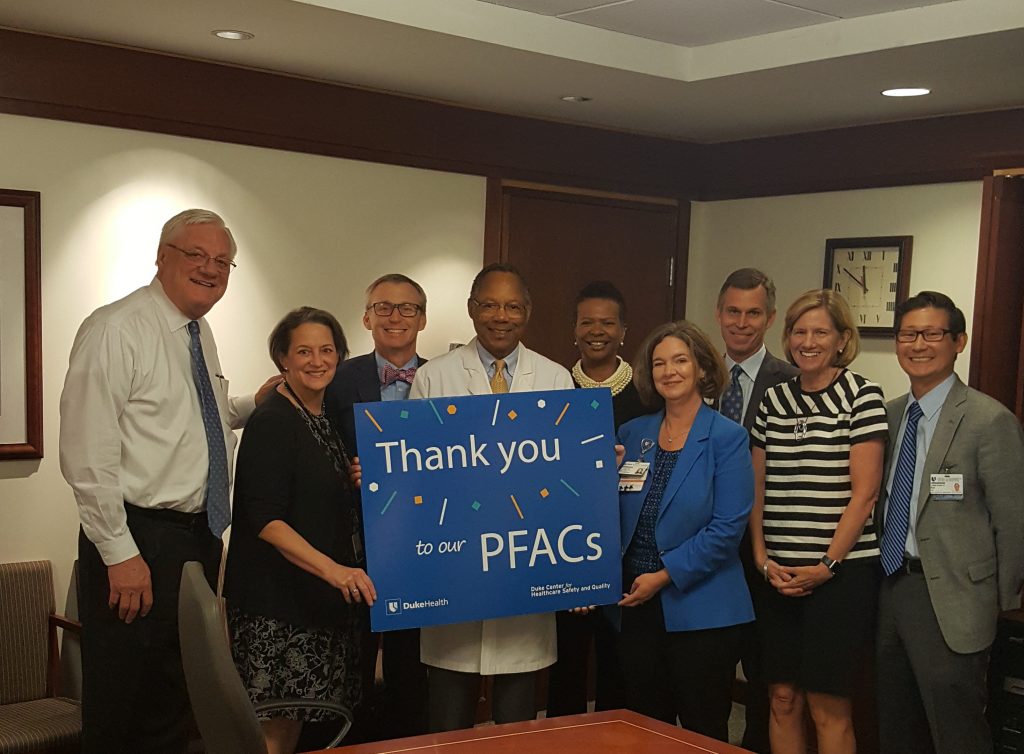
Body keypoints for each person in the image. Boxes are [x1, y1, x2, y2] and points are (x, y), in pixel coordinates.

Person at [59, 208, 276, 754]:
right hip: (138, 540)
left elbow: (195, 417)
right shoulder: (116, 328)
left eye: (222, 261)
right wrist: (119, 553)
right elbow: (87, 452)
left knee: (176, 696)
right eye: (196, 255)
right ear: (161, 257)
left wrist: (254, 405)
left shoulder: (197, 330)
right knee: (123, 703)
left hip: (194, 537)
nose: (210, 268)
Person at [409, 262, 573, 732]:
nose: (501, 316)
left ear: (528, 312)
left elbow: (563, 482)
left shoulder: (555, 378)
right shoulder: (434, 379)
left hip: (524, 566)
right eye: (490, 305)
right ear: (471, 309)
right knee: (448, 719)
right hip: (454, 569)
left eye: (513, 306)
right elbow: (418, 479)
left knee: (517, 722)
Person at [875, 291, 1024, 754]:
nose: (918, 344)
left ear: (958, 341)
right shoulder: (890, 413)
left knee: (956, 730)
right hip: (891, 587)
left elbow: (1013, 522)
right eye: (907, 334)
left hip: (955, 599)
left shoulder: (988, 419)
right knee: (895, 723)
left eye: (931, 334)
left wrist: (999, 604)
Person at [224, 307, 376, 754]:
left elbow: (314, 497)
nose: (317, 360)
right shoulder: (273, 420)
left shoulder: (320, 417)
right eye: (304, 351)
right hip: (278, 607)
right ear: (282, 360)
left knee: (293, 729)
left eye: (327, 350)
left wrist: (353, 478)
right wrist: (334, 571)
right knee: (274, 731)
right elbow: (265, 520)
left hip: (313, 603)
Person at [750, 289, 887, 754]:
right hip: (779, 578)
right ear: (788, 338)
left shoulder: (863, 396)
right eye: (799, 332)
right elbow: (757, 489)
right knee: (782, 699)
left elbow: (864, 493)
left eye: (820, 332)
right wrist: (763, 561)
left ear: (842, 339)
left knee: (828, 706)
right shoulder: (773, 400)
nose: (808, 342)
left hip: (841, 577)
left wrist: (827, 564)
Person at [611, 320, 753, 741]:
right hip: (635, 605)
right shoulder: (632, 435)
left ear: (703, 369)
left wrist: (664, 575)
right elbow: (611, 513)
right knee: (643, 729)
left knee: (701, 731)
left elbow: (728, 530)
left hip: (702, 611)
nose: (669, 371)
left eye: (680, 360)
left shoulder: (728, 437)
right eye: (659, 363)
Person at [324, 273, 429, 738]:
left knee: (412, 662)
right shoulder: (337, 379)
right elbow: (317, 448)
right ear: (367, 317)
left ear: (422, 319)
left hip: (424, 540)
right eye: (384, 307)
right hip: (353, 543)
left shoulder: (444, 377)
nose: (395, 317)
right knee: (354, 660)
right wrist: (345, 472)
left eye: (407, 308)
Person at [547, 280, 646, 717]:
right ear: (574, 328)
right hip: (564, 542)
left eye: (608, 322)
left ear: (624, 330)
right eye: (587, 321)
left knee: (619, 663)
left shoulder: (648, 391)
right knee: (564, 664)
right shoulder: (553, 387)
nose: (597, 330)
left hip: (629, 543)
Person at [714, 267, 798, 753]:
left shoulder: (793, 382)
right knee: (710, 674)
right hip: (708, 552)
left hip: (768, 551)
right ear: (718, 313)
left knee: (768, 680)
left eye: (753, 313)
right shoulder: (696, 373)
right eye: (732, 312)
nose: (741, 323)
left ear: (768, 319)